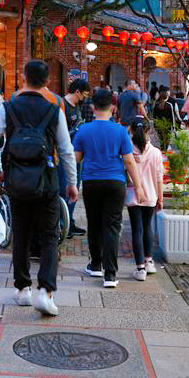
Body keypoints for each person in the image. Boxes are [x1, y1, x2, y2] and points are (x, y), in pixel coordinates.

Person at [0, 60, 77, 317]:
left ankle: (22, 290)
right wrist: (72, 182)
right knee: (48, 236)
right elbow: (66, 150)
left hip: (16, 180)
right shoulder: (53, 109)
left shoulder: (8, 107)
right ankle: (46, 292)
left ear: (23, 78)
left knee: (21, 234)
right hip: (46, 180)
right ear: (48, 82)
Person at [73, 88, 146, 288]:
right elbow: (130, 162)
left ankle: (96, 264)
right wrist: (138, 186)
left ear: (92, 107)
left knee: (94, 223)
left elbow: (76, 159)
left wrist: (71, 183)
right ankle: (111, 275)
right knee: (112, 226)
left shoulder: (84, 130)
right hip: (115, 182)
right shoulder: (121, 131)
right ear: (113, 108)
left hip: (91, 182)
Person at [126, 118, 163, 281]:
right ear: (149, 131)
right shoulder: (155, 152)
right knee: (147, 227)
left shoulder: (127, 152)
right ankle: (149, 261)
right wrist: (160, 197)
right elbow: (159, 176)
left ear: (131, 131)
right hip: (151, 194)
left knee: (137, 229)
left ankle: (140, 268)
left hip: (133, 194)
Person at [63, 79, 91, 237]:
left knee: (75, 188)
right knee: (65, 188)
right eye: (84, 94)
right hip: (66, 155)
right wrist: (76, 130)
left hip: (77, 154)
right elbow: (61, 134)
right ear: (77, 92)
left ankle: (69, 221)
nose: (85, 98)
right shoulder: (62, 105)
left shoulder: (77, 107)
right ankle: (63, 222)